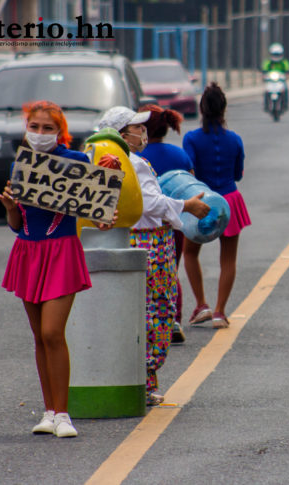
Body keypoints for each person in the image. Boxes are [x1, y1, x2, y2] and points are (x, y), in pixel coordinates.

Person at [0, 100, 117, 438]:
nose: (39, 134)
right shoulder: (19, 166)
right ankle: (48, 411)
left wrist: (103, 214)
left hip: (62, 252)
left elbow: (98, 210)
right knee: (39, 336)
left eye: (47, 128)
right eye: (34, 127)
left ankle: (64, 414)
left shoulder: (76, 162)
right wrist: (10, 207)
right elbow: (17, 223)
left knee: (53, 332)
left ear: (59, 131)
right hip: (28, 253)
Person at [97, 106, 210, 405]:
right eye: (137, 127)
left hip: (130, 239)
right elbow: (147, 204)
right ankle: (145, 379)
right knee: (157, 312)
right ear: (122, 135)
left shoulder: (107, 161)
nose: (143, 132)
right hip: (150, 243)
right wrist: (186, 206)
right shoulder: (131, 163)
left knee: (137, 311)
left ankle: (139, 378)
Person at [182, 82, 251, 329]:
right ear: (224, 108)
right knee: (228, 259)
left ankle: (202, 304)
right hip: (229, 201)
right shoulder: (234, 139)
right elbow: (238, 174)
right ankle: (220, 312)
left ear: (202, 109)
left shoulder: (191, 138)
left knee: (190, 252)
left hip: (202, 199)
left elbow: (189, 172)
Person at [138, 104, 193, 344]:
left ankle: (146, 320)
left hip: (145, 227)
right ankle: (174, 320)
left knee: (143, 276)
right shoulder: (179, 154)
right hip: (175, 222)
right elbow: (191, 184)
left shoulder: (137, 158)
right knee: (171, 272)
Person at [261, 42, 289, 112]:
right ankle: (266, 104)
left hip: (280, 80)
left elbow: (288, 70)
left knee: (285, 90)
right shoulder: (268, 62)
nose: (276, 56)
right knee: (266, 90)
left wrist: (287, 75)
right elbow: (264, 70)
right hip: (271, 80)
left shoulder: (284, 62)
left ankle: (285, 104)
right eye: (275, 54)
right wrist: (263, 76)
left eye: (278, 55)